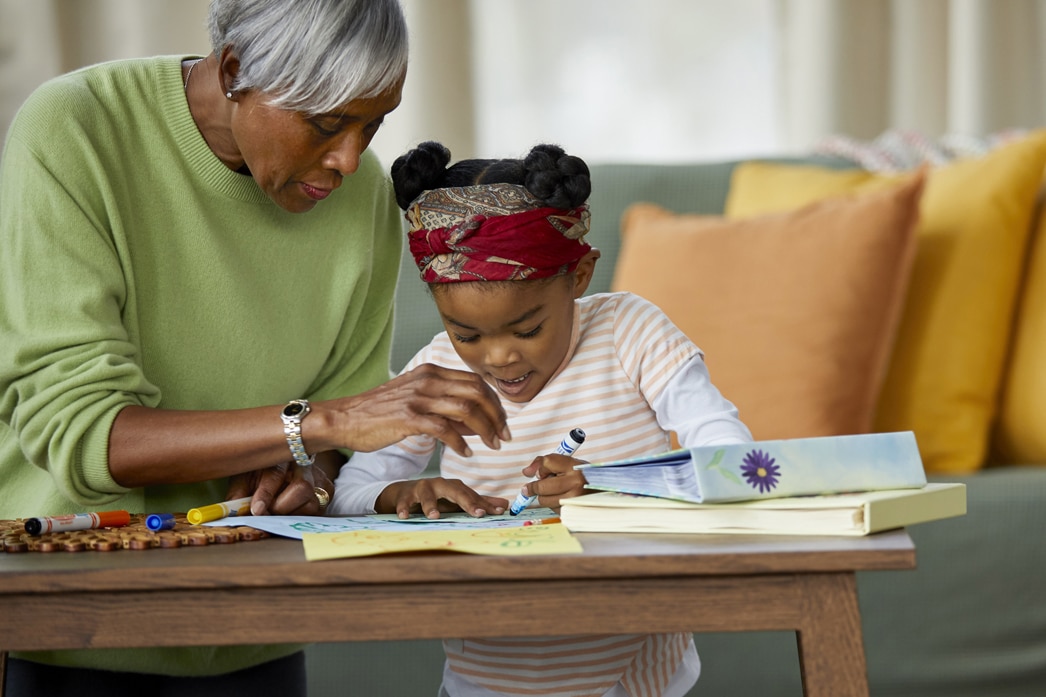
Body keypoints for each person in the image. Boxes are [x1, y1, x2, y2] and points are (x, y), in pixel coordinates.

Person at [0, 2, 510, 695]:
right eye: (327, 123)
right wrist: (318, 423)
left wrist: (315, 474)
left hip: (256, 627)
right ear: (235, 69)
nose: (350, 159)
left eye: (374, 123)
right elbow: (84, 432)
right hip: (76, 626)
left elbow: (341, 430)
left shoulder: (359, 195)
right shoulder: (76, 129)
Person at [329, 141, 754, 697]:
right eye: (467, 335)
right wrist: (402, 493)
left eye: (527, 330)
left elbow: (734, 460)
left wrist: (608, 486)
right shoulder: (435, 371)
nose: (499, 358)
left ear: (579, 276)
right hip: (483, 677)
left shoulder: (630, 333)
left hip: (634, 678)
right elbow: (347, 493)